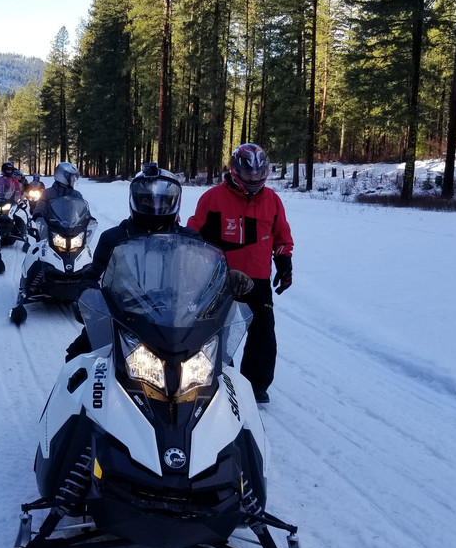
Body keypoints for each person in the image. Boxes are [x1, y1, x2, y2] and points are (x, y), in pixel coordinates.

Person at [64, 164, 250, 361]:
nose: (154, 205)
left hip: (180, 325)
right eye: (147, 200)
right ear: (134, 199)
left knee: (221, 370)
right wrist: (88, 295)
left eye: (162, 201)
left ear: (174, 201)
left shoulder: (189, 240)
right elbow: (94, 275)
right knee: (76, 361)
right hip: (125, 319)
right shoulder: (114, 238)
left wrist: (227, 279)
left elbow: (205, 276)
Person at [186, 144, 293, 404]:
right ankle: (219, 376)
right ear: (235, 170)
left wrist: (284, 262)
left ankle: (255, 386)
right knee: (216, 331)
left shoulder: (272, 201)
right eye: (248, 173)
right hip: (221, 278)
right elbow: (193, 233)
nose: (254, 178)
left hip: (258, 280)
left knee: (264, 332)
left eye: (259, 173)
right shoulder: (213, 198)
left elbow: (281, 237)